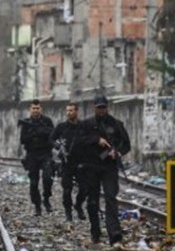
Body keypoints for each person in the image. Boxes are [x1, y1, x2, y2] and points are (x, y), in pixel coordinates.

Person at [77, 95, 131, 246]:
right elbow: (79, 141)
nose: (101, 110)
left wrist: (118, 152)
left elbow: (126, 144)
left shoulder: (116, 124)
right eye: (99, 107)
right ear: (94, 107)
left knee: (110, 198)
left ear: (107, 107)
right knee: (93, 201)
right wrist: (96, 140)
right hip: (91, 167)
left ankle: (114, 232)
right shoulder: (86, 125)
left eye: (103, 107)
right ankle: (95, 231)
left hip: (109, 167)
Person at [50, 102, 87, 221]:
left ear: (76, 111)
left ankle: (78, 205)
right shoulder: (61, 127)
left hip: (81, 162)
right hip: (66, 163)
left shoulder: (83, 126)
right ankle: (68, 212)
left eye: (71, 110)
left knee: (84, 189)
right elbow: (51, 139)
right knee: (67, 189)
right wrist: (58, 146)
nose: (68, 113)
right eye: (67, 111)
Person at [18, 99, 55, 215]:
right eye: (33, 108)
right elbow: (23, 140)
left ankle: (46, 199)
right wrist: (32, 133)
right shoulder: (26, 123)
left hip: (45, 154)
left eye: (37, 108)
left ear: (41, 109)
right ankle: (37, 206)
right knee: (33, 183)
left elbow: (52, 135)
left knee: (48, 177)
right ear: (30, 109)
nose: (35, 110)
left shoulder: (47, 121)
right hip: (32, 155)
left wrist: (41, 132)